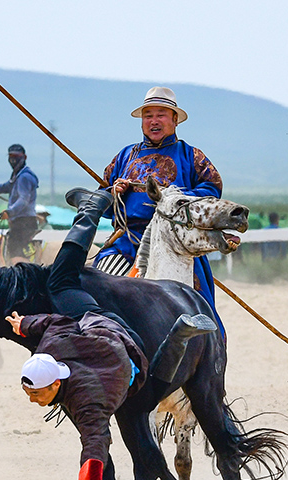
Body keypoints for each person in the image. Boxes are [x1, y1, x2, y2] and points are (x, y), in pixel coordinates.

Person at [6, 187, 215, 480]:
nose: (33, 400)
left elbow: (95, 442)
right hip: (100, 323)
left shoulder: (86, 399)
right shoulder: (54, 344)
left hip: (128, 361)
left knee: (153, 388)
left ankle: (179, 334)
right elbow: (51, 322)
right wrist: (23, 324)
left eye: (36, 394)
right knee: (59, 283)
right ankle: (90, 212)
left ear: (55, 383)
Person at [94, 87, 226, 335]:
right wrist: (114, 191)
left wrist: (175, 197)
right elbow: (101, 196)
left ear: (175, 119)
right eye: (148, 115)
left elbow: (213, 190)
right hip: (128, 242)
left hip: (176, 243)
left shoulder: (191, 156)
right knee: (95, 288)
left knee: (201, 311)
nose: (154, 120)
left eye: (161, 114)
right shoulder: (125, 156)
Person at [0, 144, 39, 264]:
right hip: (20, 221)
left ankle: (22, 274)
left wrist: (10, 212)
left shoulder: (24, 177)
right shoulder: (17, 176)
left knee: (15, 251)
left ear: (24, 157)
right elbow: (4, 187)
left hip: (24, 222)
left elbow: (23, 200)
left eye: (16, 156)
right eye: (11, 156)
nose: (13, 160)